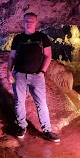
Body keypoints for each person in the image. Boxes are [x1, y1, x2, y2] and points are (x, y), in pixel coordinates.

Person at [7, 13, 60, 142]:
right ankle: (21, 126)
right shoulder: (18, 38)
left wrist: (42, 71)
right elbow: (12, 56)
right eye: (26, 20)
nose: (28, 22)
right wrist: (9, 71)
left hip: (37, 76)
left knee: (41, 103)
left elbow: (48, 56)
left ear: (36, 22)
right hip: (19, 75)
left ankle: (47, 130)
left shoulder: (42, 38)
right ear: (23, 22)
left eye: (31, 21)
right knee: (19, 102)